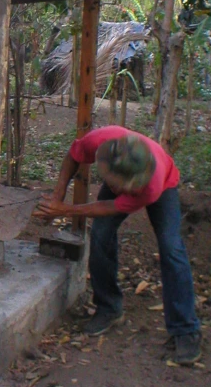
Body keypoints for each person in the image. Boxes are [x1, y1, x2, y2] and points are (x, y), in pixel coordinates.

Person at [34, 125, 202, 365]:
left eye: (121, 189)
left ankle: (186, 329)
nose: (115, 191)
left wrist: (66, 210)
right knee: (101, 235)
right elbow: (73, 156)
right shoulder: (101, 140)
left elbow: (109, 207)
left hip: (165, 185)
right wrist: (57, 197)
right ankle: (109, 307)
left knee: (171, 247)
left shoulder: (149, 188)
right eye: (113, 185)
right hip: (126, 175)